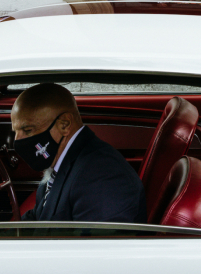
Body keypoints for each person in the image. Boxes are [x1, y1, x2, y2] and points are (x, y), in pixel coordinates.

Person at [12, 83, 146, 223]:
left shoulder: (102, 175)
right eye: (15, 132)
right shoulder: (61, 162)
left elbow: (95, 243)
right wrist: (0, 236)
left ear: (64, 125)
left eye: (27, 130)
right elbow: (39, 217)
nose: (18, 141)